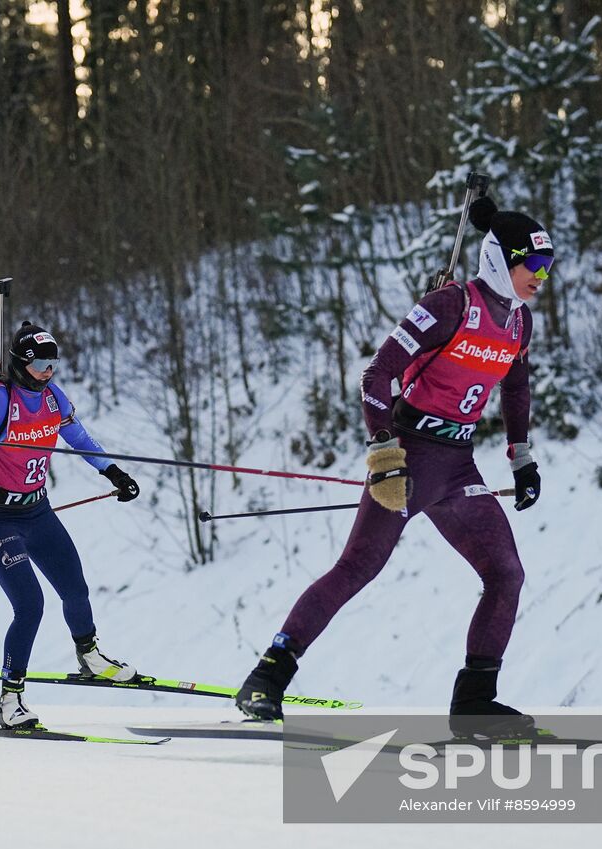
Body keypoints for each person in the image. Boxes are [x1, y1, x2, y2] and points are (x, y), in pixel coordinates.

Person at [235, 196, 553, 736]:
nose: (541, 278)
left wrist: (521, 458)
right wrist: (384, 454)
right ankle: (267, 676)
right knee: (359, 567)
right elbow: (377, 376)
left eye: (549, 268)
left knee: (506, 573)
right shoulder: (450, 304)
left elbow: (516, 388)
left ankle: (475, 700)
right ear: (503, 259)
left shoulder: (518, 324)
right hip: (409, 453)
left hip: (458, 467)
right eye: (534, 265)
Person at [0, 321, 142, 729]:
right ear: (21, 363)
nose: (48, 371)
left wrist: (113, 472)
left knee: (75, 588)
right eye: (40, 363)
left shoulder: (53, 399)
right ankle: (10, 698)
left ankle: (89, 657)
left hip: (38, 511)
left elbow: (80, 438)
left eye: (54, 362)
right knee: (30, 606)